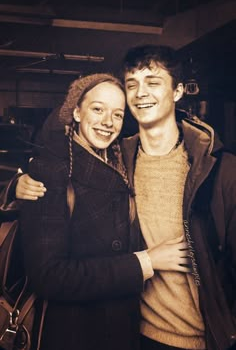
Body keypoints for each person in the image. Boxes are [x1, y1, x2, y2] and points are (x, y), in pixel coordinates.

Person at [1, 46, 236, 350]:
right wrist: (15, 186)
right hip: (125, 332)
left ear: (178, 91)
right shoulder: (111, 160)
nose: (141, 93)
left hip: (204, 337)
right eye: (132, 84)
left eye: (153, 82)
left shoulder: (215, 168)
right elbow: (49, 269)